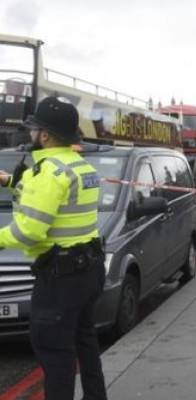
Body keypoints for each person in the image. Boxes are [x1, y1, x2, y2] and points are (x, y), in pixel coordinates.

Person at [0, 97, 107, 400]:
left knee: (55, 354)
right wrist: (11, 182)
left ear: (44, 135)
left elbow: (29, 231)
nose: (31, 134)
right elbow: (57, 199)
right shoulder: (79, 165)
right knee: (85, 343)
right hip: (88, 270)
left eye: (34, 129)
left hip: (59, 280)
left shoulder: (46, 173)